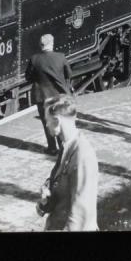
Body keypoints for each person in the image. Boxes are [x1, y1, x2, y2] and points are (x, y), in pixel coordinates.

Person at [35, 95, 99, 231]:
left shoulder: (82, 155)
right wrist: (47, 199)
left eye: (47, 120)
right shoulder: (68, 147)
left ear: (57, 121)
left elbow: (80, 215)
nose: (46, 125)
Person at [25, 34, 73, 154]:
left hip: (42, 96)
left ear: (41, 45)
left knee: (47, 122)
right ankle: (63, 146)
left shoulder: (34, 59)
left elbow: (28, 77)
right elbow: (69, 74)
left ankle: (52, 148)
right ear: (52, 44)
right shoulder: (60, 57)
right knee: (60, 120)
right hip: (59, 95)